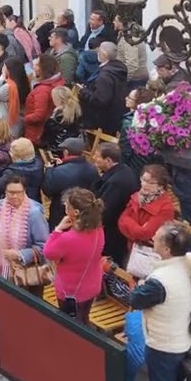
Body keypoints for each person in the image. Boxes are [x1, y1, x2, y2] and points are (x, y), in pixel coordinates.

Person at [127, 222, 191, 381]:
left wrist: (140, 285)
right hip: (184, 339)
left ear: (166, 249)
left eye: (156, 236)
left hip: (163, 346)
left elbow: (135, 300)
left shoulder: (160, 281)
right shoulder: (189, 262)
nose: (153, 237)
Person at [44, 188, 105, 324]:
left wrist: (58, 229)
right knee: (83, 318)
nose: (65, 206)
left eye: (67, 205)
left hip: (71, 290)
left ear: (76, 212)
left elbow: (48, 252)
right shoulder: (98, 229)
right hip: (92, 285)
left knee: (71, 326)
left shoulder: (68, 238)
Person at [92, 143, 138, 265]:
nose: (94, 158)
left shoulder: (115, 182)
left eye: (97, 156)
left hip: (113, 233)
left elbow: (106, 211)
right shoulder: (125, 170)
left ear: (108, 160)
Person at [41, 138, 97, 228]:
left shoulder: (59, 171)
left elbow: (47, 190)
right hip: (84, 213)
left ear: (66, 152)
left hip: (61, 214)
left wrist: (49, 171)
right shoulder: (93, 169)